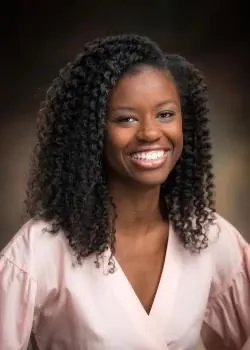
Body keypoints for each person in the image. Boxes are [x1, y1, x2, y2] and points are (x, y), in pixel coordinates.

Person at [0, 34, 249, 350]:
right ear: (91, 133)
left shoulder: (207, 235)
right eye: (126, 119)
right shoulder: (41, 251)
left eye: (165, 114)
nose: (149, 132)